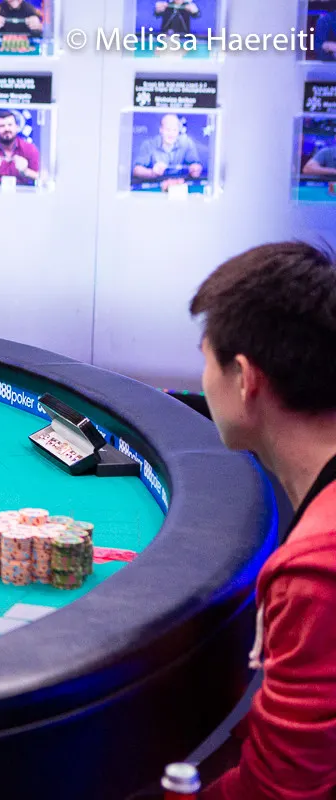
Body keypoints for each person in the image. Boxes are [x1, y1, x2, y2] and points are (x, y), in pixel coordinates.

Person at [185, 242, 336, 799]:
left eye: (205, 358)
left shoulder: (314, 570)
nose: (203, 378)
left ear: (245, 377)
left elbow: (280, 792)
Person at [132, 113, 204, 185]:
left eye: (174, 130)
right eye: (168, 130)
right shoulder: (149, 144)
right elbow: (136, 170)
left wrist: (196, 170)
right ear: (161, 130)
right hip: (155, 184)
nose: (171, 134)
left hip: (180, 185)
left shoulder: (186, 143)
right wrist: (152, 173)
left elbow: (196, 166)